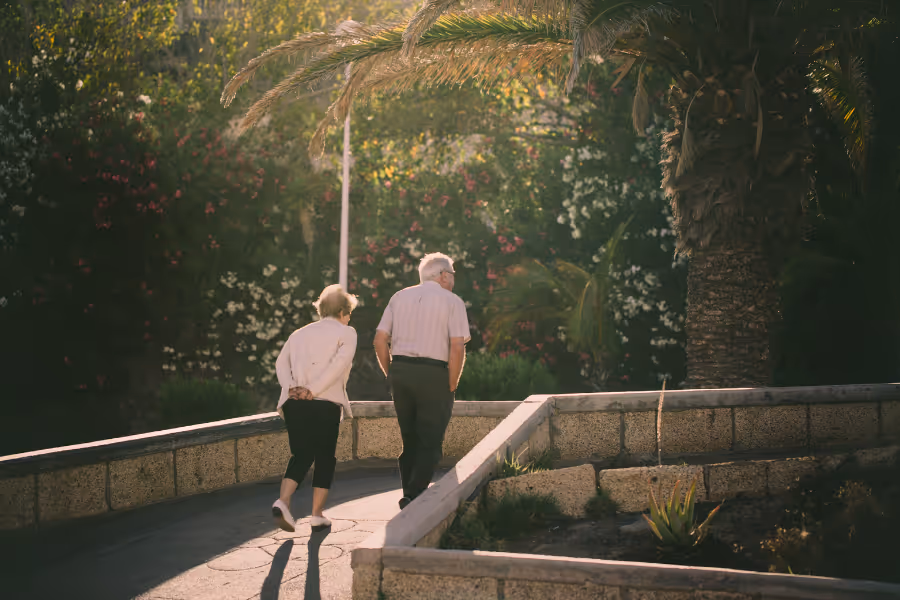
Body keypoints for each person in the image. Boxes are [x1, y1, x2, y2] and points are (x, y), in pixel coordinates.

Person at [374, 252, 471, 509]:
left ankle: (409, 494)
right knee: (430, 440)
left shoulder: (398, 297)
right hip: (434, 373)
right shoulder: (452, 301)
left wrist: (391, 373)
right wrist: (452, 383)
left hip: (401, 371)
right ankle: (415, 495)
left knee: (410, 439)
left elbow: (379, 339)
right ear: (442, 275)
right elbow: (457, 347)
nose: (453, 280)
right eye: (452, 274)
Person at [272, 284, 358, 532]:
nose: (349, 317)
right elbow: (339, 365)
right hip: (324, 403)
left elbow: (280, 364)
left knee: (301, 454)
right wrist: (314, 390)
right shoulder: (347, 332)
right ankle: (317, 515)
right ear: (343, 311)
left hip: (293, 402)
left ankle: (283, 501)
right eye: (349, 312)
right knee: (324, 457)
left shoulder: (299, 334)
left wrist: (291, 388)